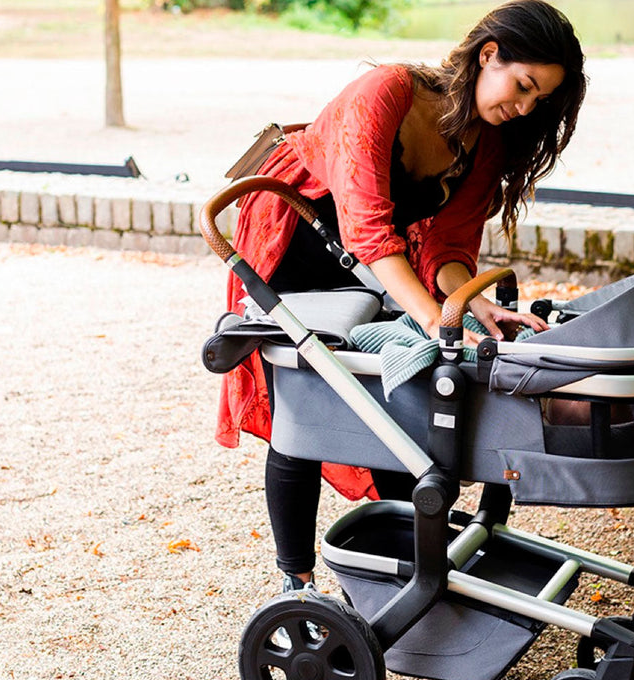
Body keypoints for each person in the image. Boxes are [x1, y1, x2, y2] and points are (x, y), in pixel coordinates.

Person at [216, 0, 587, 593]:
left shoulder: (485, 141)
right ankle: (297, 582)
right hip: (293, 243)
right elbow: (366, 225)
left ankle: (408, 569)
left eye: (538, 100)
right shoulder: (386, 92)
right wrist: (437, 321)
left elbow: (447, 244)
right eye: (523, 86)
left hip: (371, 264)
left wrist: (470, 304)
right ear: (488, 55)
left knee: (384, 400)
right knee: (305, 403)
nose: (524, 107)